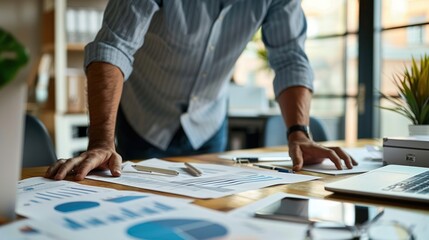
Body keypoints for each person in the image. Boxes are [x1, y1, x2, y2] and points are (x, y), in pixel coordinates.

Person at [45, 0, 357, 181]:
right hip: (142, 120)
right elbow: (113, 46)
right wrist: (101, 141)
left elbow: (290, 57)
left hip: (209, 123)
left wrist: (299, 132)